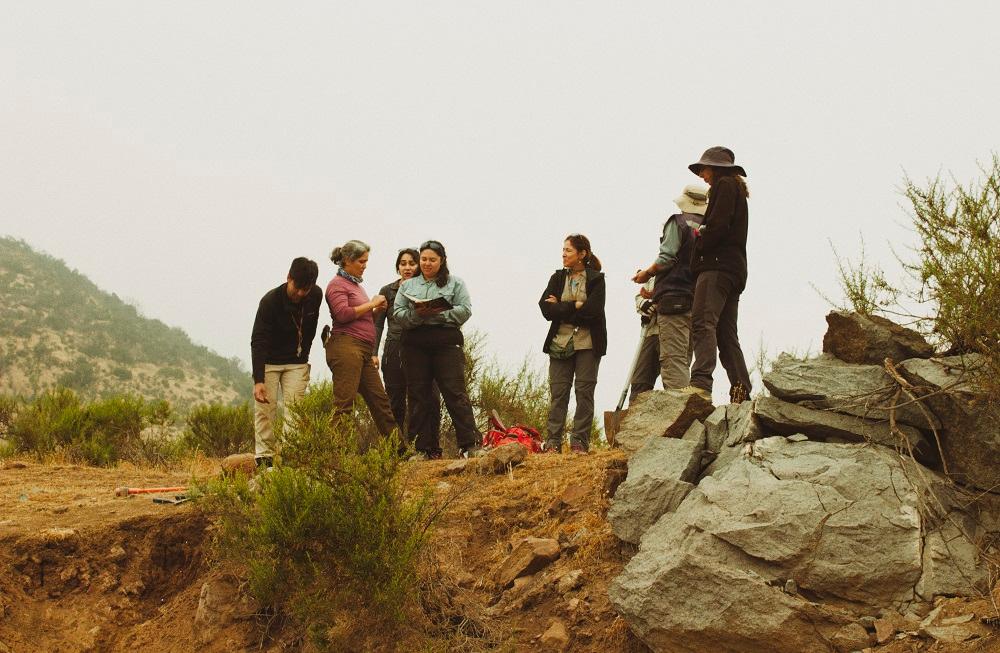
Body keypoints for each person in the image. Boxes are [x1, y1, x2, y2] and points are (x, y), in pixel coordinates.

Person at [392, 240, 482, 460]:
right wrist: (417, 315)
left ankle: (470, 445)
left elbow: (465, 310)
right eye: (423, 259)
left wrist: (438, 313)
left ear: (442, 261)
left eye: (432, 259)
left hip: (446, 342)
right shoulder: (407, 286)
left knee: (455, 391)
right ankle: (423, 448)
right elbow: (398, 314)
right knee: (418, 395)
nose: (427, 263)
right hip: (415, 344)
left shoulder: (455, 283)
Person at [686, 146, 752, 403]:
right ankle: (741, 391)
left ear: (714, 167)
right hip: (733, 271)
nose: (702, 175)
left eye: (703, 169)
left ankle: (701, 383)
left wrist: (700, 238)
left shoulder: (724, 186)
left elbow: (718, 227)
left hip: (716, 266)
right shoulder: (736, 189)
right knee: (726, 334)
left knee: (703, 321)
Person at [631, 184, 709, 390]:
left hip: (673, 300)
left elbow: (666, 258)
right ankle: (688, 411)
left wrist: (646, 273)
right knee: (684, 359)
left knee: (673, 361)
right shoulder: (709, 227)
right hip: (699, 301)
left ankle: (678, 413)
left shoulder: (678, 223)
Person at [325, 240, 400, 445]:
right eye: (361, 261)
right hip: (346, 347)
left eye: (366, 261)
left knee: (380, 401)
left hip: (364, 350)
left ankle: (400, 450)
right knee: (344, 403)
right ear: (347, 261)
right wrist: (372, 303)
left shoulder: (356, 285)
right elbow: (342, 314)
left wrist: (377, 309)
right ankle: (334, 455)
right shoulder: (336, 285)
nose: (365, 265)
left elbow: (363, 317)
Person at [250, 257, 322, 470]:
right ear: (288, 278)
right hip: (270, 362)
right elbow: (258, 340)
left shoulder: (315, 295)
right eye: (297, 287)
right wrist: (259, 379)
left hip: (297, 362)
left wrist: (304, 357)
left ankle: (291, 460)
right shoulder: (270, 301)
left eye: (306, 289)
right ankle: (265, 460)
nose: (300, 293)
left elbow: (312, 327)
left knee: (295, 410)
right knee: (265, 410)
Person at [539, 234, 607, 453]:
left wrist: (563, 307)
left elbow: (594, 312)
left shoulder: (596, 279)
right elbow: (546, 309)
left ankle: (579, 442)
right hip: (560, 342)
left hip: (588, 343)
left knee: (584, 392)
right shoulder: (557, 278)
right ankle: (552, 443)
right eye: (563, 250)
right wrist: (575, 306)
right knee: (558, 393)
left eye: (568, 250)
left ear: (582, 254)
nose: (563, 254)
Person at [374, 248, 442, 440]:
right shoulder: (387, 291)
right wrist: (373, 353)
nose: (407, 267)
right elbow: (378, 325)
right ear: (398, 267)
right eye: (403, 264)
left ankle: (425, 446)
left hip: (422, 347)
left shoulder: (428, 288)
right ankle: (395, 448)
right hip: (394, 346)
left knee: (426, 399)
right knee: (394, 400)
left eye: (412, 263)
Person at [627, 279, 660, 403]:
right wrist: (644, 304)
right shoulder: (652, 275)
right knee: (640, 380)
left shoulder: (685, 265)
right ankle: (634, 418)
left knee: (673, 378)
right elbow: (640, 296)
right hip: (650, 331)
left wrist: (654, 299)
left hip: (676, 330)